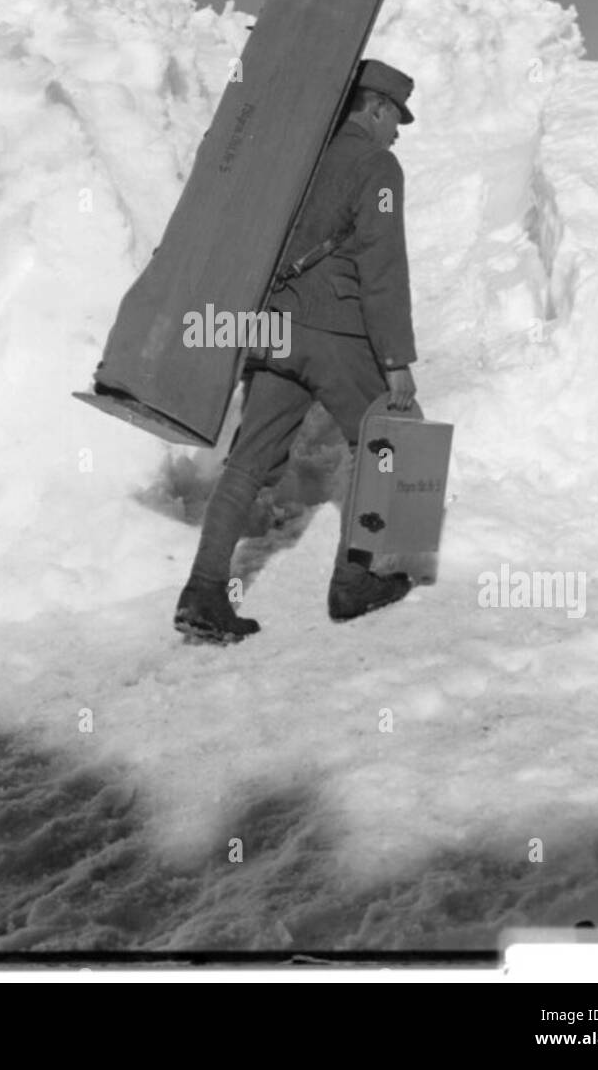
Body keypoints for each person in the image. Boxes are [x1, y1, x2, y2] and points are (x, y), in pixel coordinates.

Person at [174, 58, 419, 645]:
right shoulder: (377, 166)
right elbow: (382, 268)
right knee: (391, 438)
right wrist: (396, 360)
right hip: (334, 331)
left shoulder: (296, 156)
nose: (398, 132)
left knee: (249, 459)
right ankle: (355, 584)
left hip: (272, 329)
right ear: (377, 107)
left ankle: (204, 592)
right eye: (397, 119)